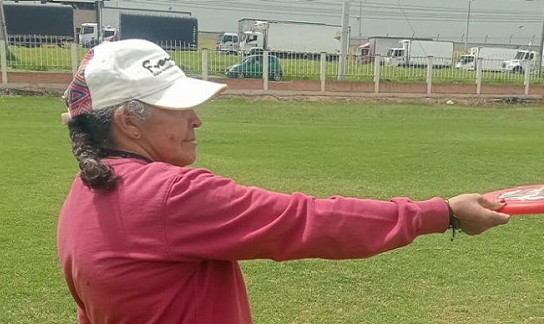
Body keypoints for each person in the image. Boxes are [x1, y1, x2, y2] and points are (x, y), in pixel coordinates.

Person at [57, 39, 510, 324]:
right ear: (128, 123)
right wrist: (443, 213)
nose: (196, 120)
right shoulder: (172, 195)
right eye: (177, 109)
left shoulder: (85, 192)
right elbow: (306, 221)